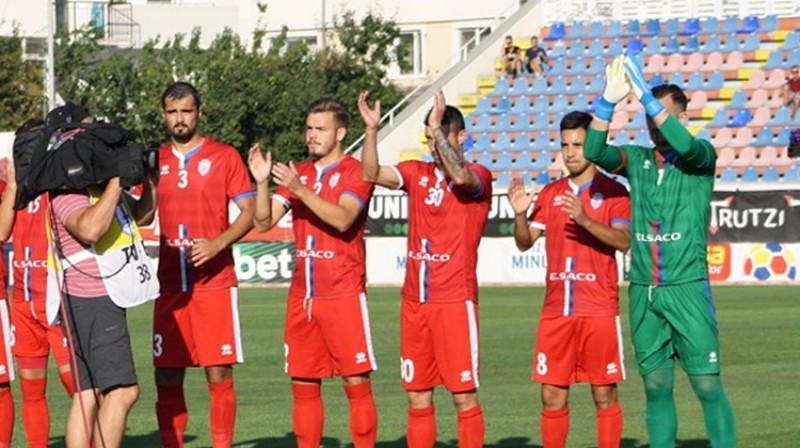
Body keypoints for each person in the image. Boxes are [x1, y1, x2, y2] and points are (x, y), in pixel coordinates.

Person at [584, 55, 737, 448]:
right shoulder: (637, 159)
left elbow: (685, 144)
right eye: (649, 119)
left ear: (682, 116)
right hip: (643, 288)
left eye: (663, 116)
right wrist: (608, 100)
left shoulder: (700, 156)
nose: (654, 125)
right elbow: (595, 150)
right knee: (654, 386)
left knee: (705, 385)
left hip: (687, 287)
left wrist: (648, 101)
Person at [360, 89, 492, 448]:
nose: (432, 145)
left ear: (460, 137)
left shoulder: (479, 175)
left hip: (454, 301)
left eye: (439, 136)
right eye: (429, 138)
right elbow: (370, 172)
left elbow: (462, 177)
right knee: (417, 396)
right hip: (414, 303)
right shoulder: (416, 173)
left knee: (463, 396)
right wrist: (371, 131)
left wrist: (437, 131)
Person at [247, 98, 378, 448]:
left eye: (320, 129)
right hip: (303, 297)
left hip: (343, 292)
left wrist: (301, 190)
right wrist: (261, 183)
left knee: (356, 383)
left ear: (340, 132)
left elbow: (343, 218)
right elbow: (262, 222)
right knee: (303, 385)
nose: (312, 136)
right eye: (309, 128)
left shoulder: (356, 171)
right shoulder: (300, 171)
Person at [508, 111, 631, 448]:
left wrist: (585, 219)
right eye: (565, 145)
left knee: (604, 392)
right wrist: (519, 214)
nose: (570, 152)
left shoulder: (614, 192)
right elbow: (523, 242)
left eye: (577, 144)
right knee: (551, 395)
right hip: (556, 312)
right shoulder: (550, 193)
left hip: (598, 308)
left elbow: (623, 241)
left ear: (592, 145)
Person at [46, 103, 158, 448]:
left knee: (89, 392)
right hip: (93, 296)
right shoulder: (68, 189)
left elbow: (142, 216)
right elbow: (92, 228)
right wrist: (114, 179)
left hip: (96, 295)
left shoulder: (89, 183)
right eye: (90, 131)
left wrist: (149, 180)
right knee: (123, 391)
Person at [153, 82, 255, 448]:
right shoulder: (155, 159)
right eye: (172, 112)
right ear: (164, 114)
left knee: (218, 371)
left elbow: (251, 214)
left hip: (214, 283)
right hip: (169, 287)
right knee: (166, 375)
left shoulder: (225, 156)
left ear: (199, 111)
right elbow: (144, 213)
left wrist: (218, 243)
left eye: (186, 111)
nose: (179, 119)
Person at [0, 118, 74, 448]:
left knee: (79, 389)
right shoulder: (10, 190)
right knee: (32, 391)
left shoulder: (61, 185)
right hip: (23, 305)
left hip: (56, 303)